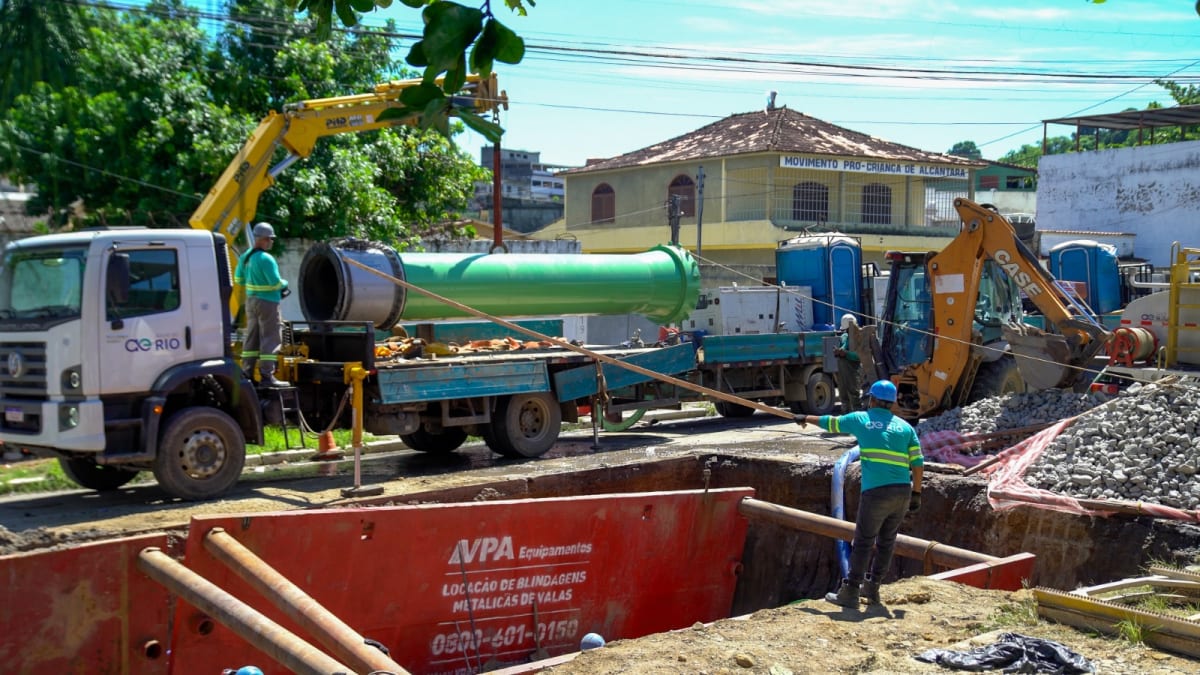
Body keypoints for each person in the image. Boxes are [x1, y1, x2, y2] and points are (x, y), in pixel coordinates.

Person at [795, 379, 923, 609]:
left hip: (876, 492)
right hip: (903, 492)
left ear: (872, 399)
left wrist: (805, 418)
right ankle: (872, 588)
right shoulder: (905, 428)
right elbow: (918, 462)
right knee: (886, 541)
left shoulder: (861, 419)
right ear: (892, 403)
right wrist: (917, 493)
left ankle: (851, 592)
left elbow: (831, 423)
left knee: (864, 541)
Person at [234, 222, 290, 387]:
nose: (271, 242)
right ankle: (267, 376)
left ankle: (247, 373)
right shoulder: (266, 259)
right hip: (268, 303)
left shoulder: (245, 257)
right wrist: (285, 283)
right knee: (270, 337)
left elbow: (238, 280)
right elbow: (275, 283)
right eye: (270, 239)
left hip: (251, 302)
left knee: (252, 338)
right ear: (264, 239)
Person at [834, 314, 862, 412]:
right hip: (843, 369)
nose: (847, 331)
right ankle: (846, 413)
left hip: (852, 369)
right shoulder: (844, 337)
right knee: (843, 392)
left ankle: (857, 413)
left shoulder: (859, 336)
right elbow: (842, 347)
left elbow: (859, 356)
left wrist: (846, 354)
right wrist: (838, 352)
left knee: (853, 393)